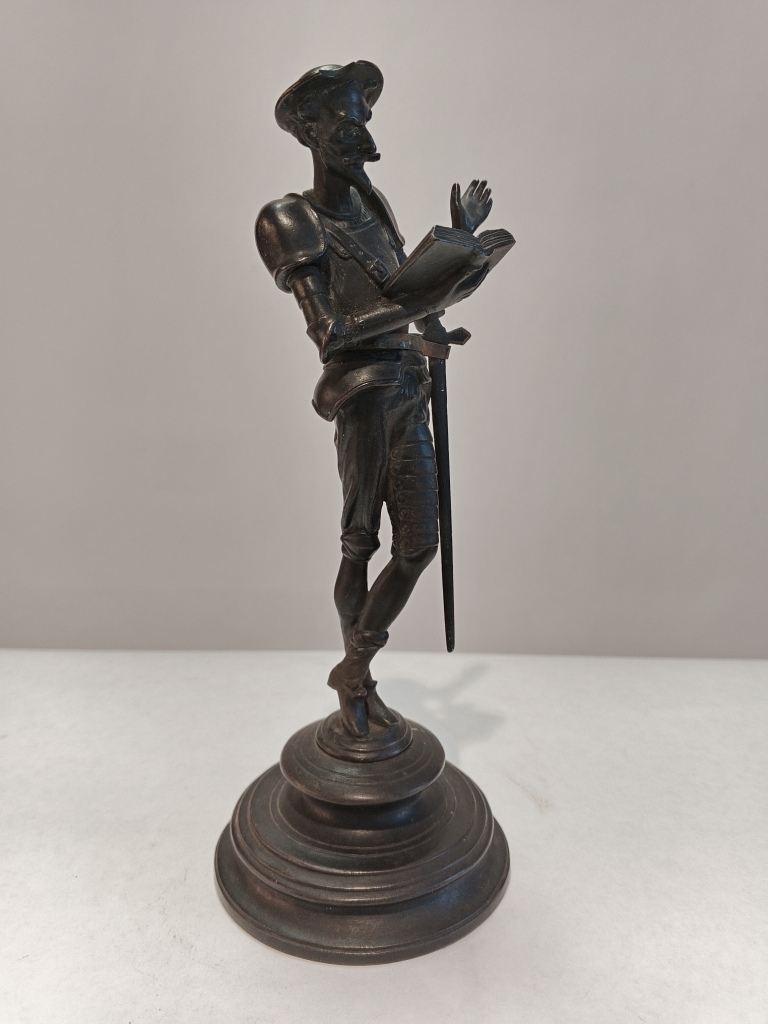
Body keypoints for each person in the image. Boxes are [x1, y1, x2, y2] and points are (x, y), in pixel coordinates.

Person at [256, 62, 492, 737]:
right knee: (360, 542)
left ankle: (354, 670)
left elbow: (402, 297)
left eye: (365, 117)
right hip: (362, 396)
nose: (363, 132)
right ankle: (356, 687)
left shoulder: (375, 206)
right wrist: (425, 302)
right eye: (347, 120)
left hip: (408, 384)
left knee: (418, 544)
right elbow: (332, 334)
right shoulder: (289, 219)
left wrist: (454, 263)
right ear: (311, 130)